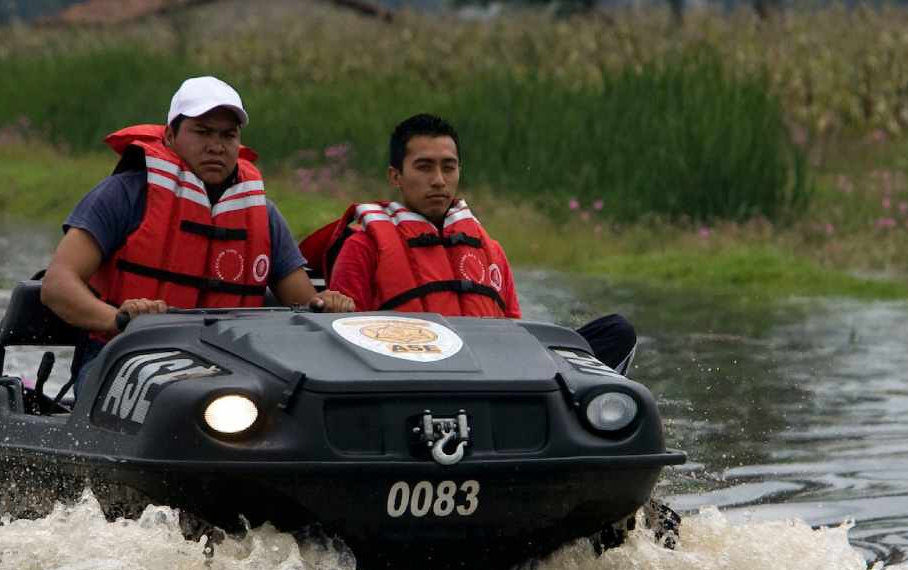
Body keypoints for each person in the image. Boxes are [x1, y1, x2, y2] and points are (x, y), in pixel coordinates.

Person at [42, 76, 354, 389]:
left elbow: (306, 306)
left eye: (228, 135)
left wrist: (329, 306)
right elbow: (57, 286)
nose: (216, 146)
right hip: (122, 357)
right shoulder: (123, 194)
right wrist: (121, 320)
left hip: (235, 367)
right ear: (170, 136)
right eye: (202, 132)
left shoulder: (263, 214)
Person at [300, 113, 636, 374]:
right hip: (406, 378)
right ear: (395, 177)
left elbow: (514, 328)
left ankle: (599, 419)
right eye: (424, 167)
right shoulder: (363, 245)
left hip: (494, 374)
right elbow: (342, 343)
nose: (438, 180)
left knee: (617, 332)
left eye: (449, 167)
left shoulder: (489, 249)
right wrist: (333, 307)